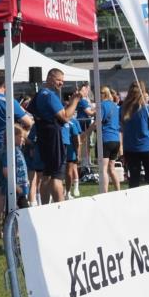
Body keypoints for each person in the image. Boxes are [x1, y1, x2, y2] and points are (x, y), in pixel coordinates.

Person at [0, 69, 33, 237]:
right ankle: (13, 230)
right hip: (5, 150)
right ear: (5, 84)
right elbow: (28, 122)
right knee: (11, 189)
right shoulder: (7, 101)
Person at [28, 69, 88, 204]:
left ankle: (44, 206)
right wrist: (76, 101)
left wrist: (71, 102)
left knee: (46, 175)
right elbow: (65, 117)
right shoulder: (49, 95)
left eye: (62, 80)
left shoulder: (39, 95)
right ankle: (60, 207)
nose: (61, 83)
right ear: (49, 78)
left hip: (44, 137)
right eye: (58, 79)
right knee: (56, 176)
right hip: (53, 139)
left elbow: (35, 110)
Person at [119, 81, 149, 187]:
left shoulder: (123, 109)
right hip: (147, 146)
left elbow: (121, 127)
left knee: (134, 179)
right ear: (143, 92)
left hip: (130, 147)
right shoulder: (148, 109)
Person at [98, 86, 121, 193]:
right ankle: (118, 191)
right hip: (116, 139)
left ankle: (105, 193)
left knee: (103, 169)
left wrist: (86, 133)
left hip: (106, 138)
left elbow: (97, 122)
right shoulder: (114, 106)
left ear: (103, 94)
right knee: (111, 168)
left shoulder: (102, 105)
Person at [2, 124, 30, 209]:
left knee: (21, 211)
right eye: (20, 136)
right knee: (15, 210)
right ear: (12, 137)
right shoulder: (8, 152)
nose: (23, 139)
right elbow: (6, 171)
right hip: (14, 189)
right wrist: (16, 187)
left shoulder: (18, 149)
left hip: (22, 188)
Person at [62, 97, 83, 198]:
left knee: (70, 171)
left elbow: (77, 138)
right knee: (59, 172)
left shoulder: (73, 122)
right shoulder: (58, 120)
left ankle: (69, 192)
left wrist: (78, 152)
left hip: (71, 150)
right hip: (61, 150)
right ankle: (61, 192)